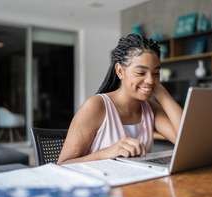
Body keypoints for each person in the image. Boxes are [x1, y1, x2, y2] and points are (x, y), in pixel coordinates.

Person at [57, 34, 182, 165]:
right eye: (140, 73)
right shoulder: (96, 106)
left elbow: (185, 140)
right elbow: (62, 164)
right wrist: (107, 153)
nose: (150, 80)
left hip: (139, 183)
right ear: (120, 71)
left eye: (156, 73)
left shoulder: (150, 108)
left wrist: (162, 94)